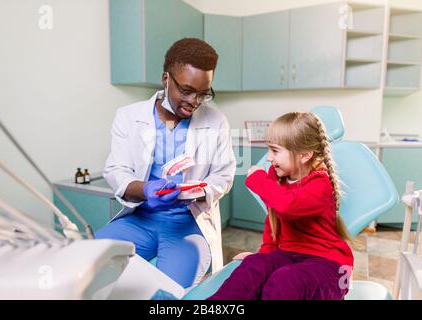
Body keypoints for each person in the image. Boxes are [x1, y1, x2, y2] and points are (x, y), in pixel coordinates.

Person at [95, 38, 236, 288]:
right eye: (186, 90)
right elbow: (117, 170)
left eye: (203, 94)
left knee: (167, 295)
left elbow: (223, 176)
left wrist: (199, 189)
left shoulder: (216, 121)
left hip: (188, 225)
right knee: (88, 265)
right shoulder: (129, 117)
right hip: (140, 218)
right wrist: (146, 190)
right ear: (166, 78)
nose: (194, 101)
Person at [208, 112, 354, 300]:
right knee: (252, 267)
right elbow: (274, 221)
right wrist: (264, 258)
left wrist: (258, 180)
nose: (268, 158)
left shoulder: (320, 185)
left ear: (304, 155)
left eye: (275, 151)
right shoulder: (278, 178)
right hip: (290, 255)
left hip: (331, 267)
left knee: (285, 280)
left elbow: (287, 205)